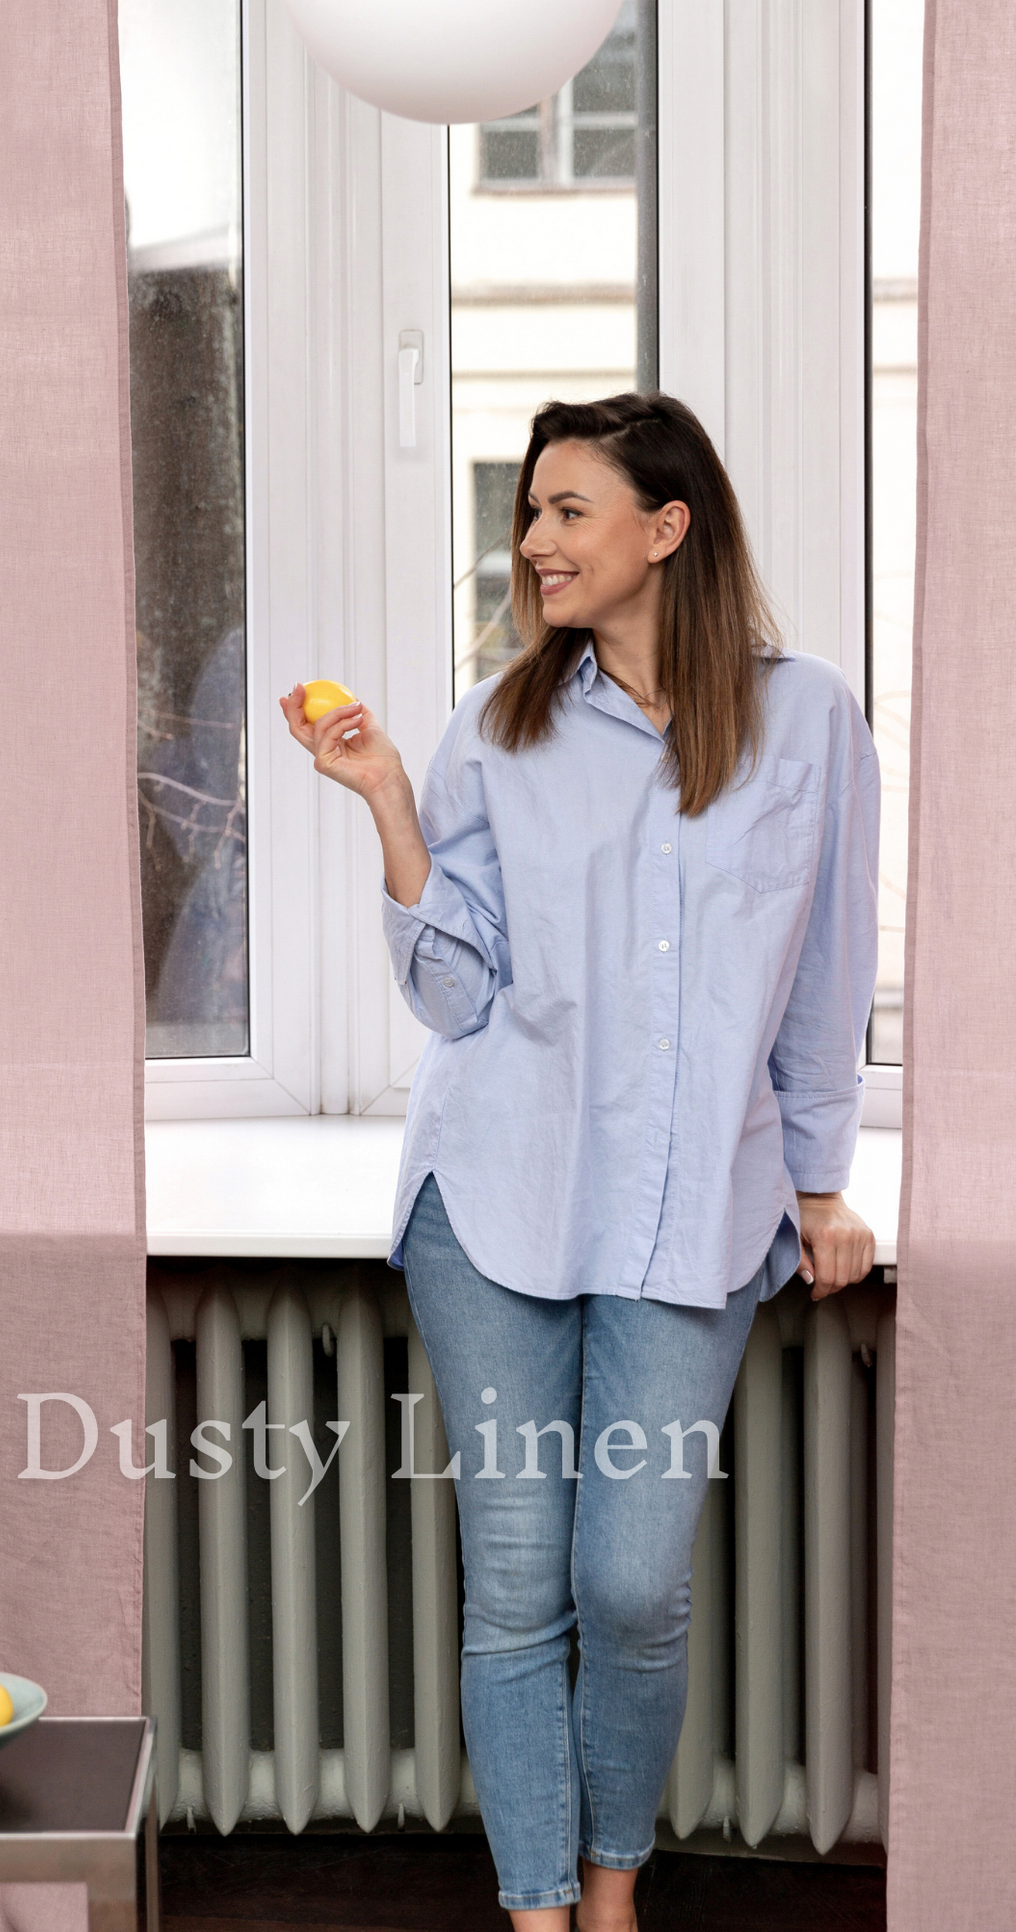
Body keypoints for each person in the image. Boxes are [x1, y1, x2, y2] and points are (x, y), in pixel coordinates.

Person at [280, 392, 879, 1932]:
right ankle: (546, 1911)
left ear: (666, 527)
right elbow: (456, 995)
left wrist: (821, 1182)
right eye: (530, 513)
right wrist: (393, 809)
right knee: (518, 1587)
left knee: (630, 1585)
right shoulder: (500, 724)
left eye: (567, 510)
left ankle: (616, 1883)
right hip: (496, 1201)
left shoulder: (809, 717)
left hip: (699, 1211)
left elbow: (823, 970)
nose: (534, 539)